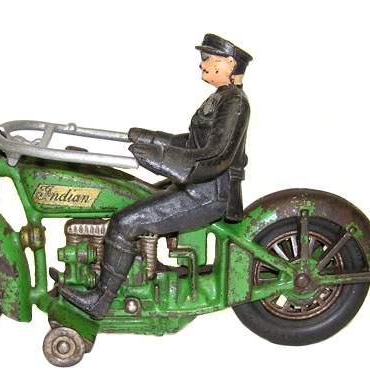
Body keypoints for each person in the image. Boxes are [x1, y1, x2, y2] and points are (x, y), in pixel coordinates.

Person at [59, 34, 252, 320]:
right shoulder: (222, 98)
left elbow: (216, 156)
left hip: (207, 193)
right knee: (128, 196)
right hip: (199, 187)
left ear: (229, 63)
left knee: (125, 222)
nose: (202, 64)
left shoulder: (234, 103)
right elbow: (192, 143)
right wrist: (152, 139)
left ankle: (100, 301)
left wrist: (160, 159)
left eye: (207, 58)